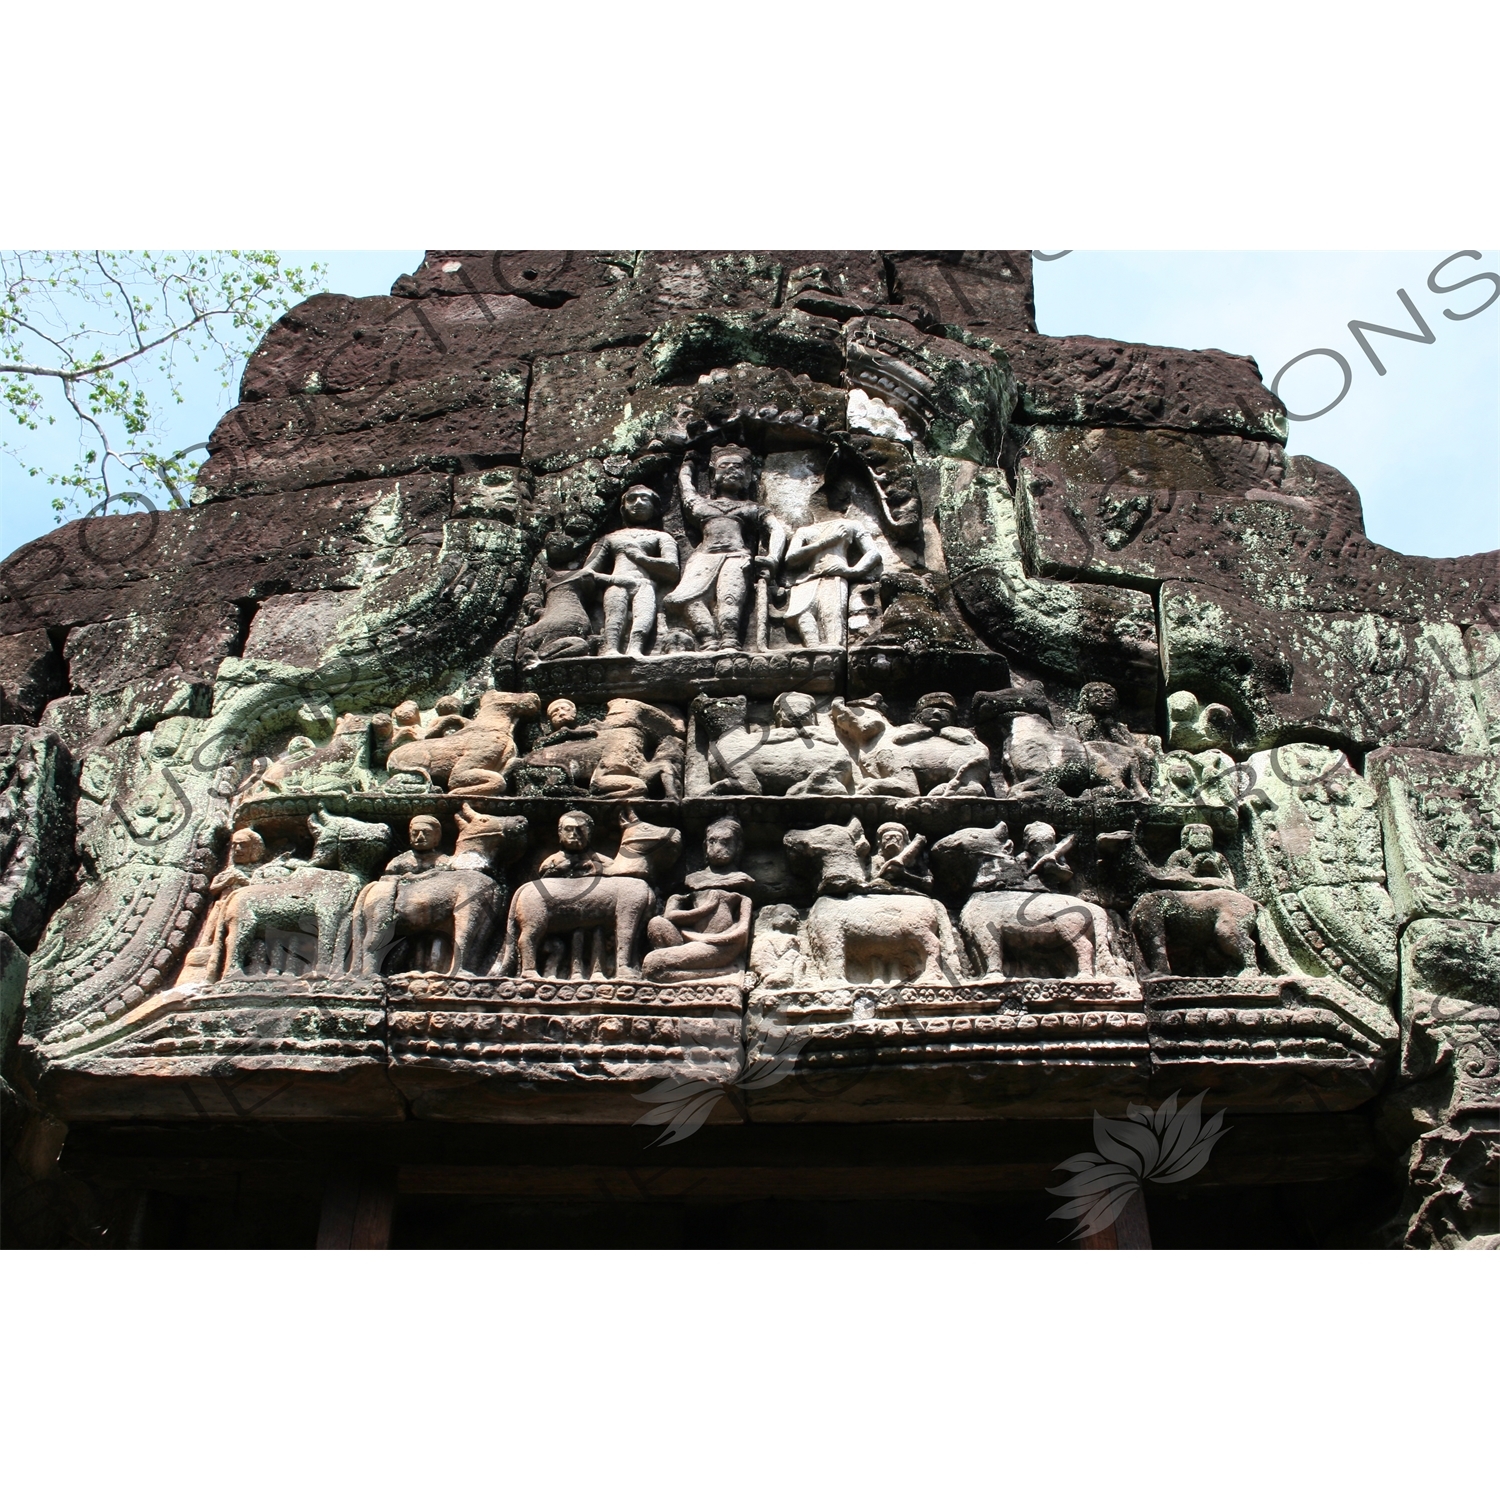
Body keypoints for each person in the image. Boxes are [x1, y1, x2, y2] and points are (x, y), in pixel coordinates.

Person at [667, 445, 785, 650]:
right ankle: (708, 641)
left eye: (737, 466)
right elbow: (686, 487)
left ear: (747, 476)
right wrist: (688, 464)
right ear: (713, 475)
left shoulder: (750, 508)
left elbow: (776, 529)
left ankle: (730, 641)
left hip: (735, 557)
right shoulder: (701, 505)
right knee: (687, 600)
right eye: (724, 465)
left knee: (729, 599)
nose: (731, 469)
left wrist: (773, 557)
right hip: (704, 557)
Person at [643, 818, 753, 980]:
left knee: (653, 963)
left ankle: (720, 972)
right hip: (691, 939)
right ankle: (691, 966)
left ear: (738, 847)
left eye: (726, 842)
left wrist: (703, 939)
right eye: (712, 841)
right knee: (656, 923)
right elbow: (670, 917)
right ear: (704, 846)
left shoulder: (741, 885)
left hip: (719, 945)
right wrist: (706, 908)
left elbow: (741, 933)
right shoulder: (694, 880)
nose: (718, 848)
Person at [580, 486, 680, 656]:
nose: (638, 503)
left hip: (644, 583)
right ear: (623, 507)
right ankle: (611, 649)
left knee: (644, 617)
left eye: (644, 498)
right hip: (616, 582)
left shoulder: (661, 537)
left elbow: (672, 569)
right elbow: (587, 571)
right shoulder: (610, 538)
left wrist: (641, 559)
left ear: (654, 507)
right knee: (614, 617)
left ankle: (636, 649)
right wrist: (608, 579)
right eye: (632, 499)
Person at [781, 495, 883, 648]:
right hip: (809, 578)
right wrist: (825, 542)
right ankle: (813, 648)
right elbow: (791, 558)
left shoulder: (852, 525)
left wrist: (852, 571)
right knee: (800, 614)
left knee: (831, 615)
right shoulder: (805, 531)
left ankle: (833, 649)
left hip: (835, 575)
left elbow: (873, 553)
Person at [538, 810, 607, 878]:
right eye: (568, 829)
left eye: (580, 829)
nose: (575, 833)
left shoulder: (604, 861)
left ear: (589, 832)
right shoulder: (551, 861)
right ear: (560, 832)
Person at [869, 821, 932, 892]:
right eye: (887, 838)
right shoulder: (873, 860)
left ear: (904, 842)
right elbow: (869, 881)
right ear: (880, 843)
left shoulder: (915, 861)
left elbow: (928, 883)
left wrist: (904, 875)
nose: (893, 840)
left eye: (897, 837)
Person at [382, 815, 452, 876]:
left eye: (426, 833)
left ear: (436, 836)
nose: (420, 837)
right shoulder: (398, 862)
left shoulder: (447, 862)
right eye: (415, 833)